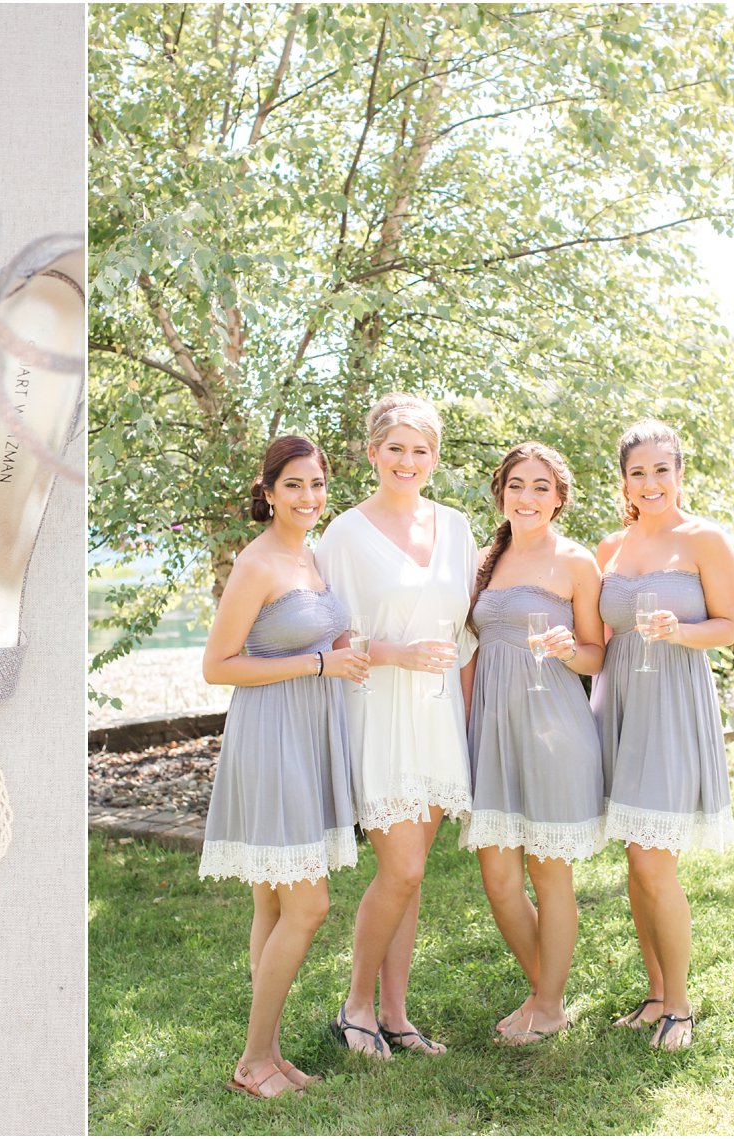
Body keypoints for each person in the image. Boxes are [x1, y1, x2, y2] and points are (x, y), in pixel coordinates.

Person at [199, 433, 369, 1099]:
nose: (308, 496)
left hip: (309, 731)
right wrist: (319, 662)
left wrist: (348, 647)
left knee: (273, 899)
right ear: (268, 492)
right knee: (309, 903)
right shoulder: (258, 562)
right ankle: (250, 1060)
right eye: (294, 484)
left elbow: (322, 635)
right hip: (271, 737)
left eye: (318, 484)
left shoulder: (310, 558)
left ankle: (267, 1053)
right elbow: (217, 665)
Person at [314, 393, 474, 1059]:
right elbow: (328, 636)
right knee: (400, 865)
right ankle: (355, 1007)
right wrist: (394, 653)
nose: (408, 460)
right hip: (378, 707)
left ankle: (397, 1016)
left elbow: (465, 635)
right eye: (396, 447)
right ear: (373, 451)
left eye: (421, 448)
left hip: (438, 714)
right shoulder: (345, 535)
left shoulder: (458, 527)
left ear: (434, 457)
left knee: (413, 875)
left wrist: (470, 726)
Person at [591, 419, 734, 1051]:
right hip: (620, 705)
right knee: (635, 859)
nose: (649, 483)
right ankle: (655, 994)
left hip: (673, 705)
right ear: (623, 480)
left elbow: (727, 627)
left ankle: (680, 1005)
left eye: (661, 470)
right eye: (636, 472)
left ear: (680, 473)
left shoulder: (705, 540)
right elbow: (596, 641)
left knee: (655, 861)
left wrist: (678, 630)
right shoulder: (608, 549)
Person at [459, 442, 606, 1044]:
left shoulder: (576, 563)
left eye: (541, 487)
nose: (528, 497)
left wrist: (568, 648)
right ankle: (548, 992)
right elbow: (466, 648)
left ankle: (545, 1005)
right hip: (491, 732)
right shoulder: (482, 563)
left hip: (554, 730)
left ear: (559, 498)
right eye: (518, 485)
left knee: (550, 873)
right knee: (498, 879)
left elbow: (597, 654)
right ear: (502, 492)